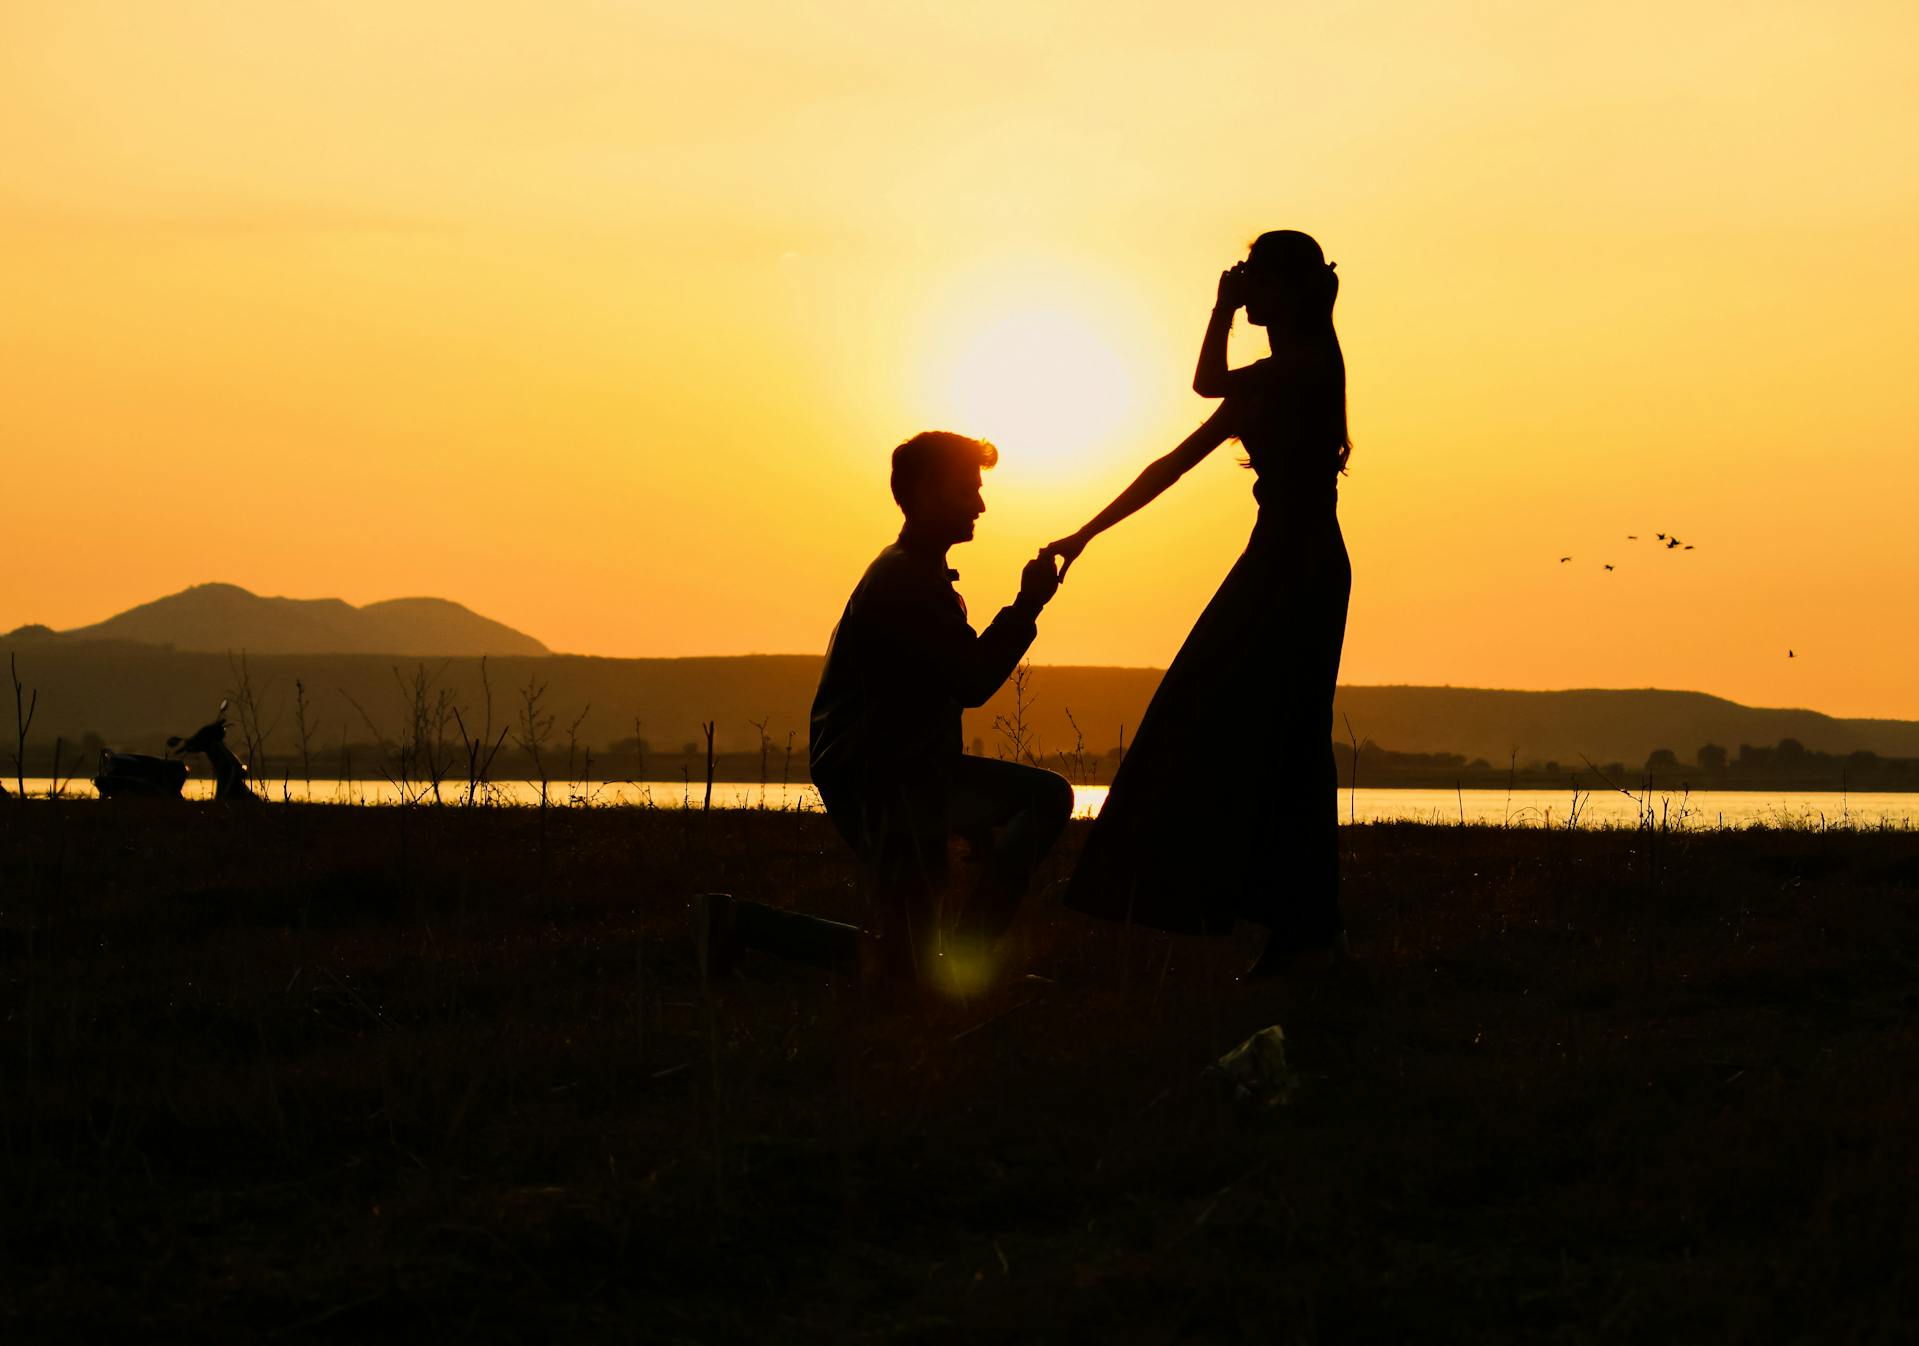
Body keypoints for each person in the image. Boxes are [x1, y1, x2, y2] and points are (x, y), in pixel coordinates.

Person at [1044, 230, 1353, 977]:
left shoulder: (1307, 366)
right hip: (1278, 556)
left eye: (1256, 277)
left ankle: (1297, 923)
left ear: (1287, 288)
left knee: (1270, 730)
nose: (1245, 285)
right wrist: (1084, 533)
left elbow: (1208, 382)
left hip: (1300, 564)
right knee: (1232, 722)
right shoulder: (1274, 376)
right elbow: (1171, 463)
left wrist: (1219, 307)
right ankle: (1288, 923)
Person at [695, 431, 1075, 986]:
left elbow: (934, 692)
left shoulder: (908, 572)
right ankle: (969, 960)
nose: (980, 505)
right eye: (968, 490)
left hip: (887, 775)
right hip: (888, 782)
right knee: (1046, 798)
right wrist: (1027, 604)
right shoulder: (906, 581)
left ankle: (732, 922)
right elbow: (970, 681)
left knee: (904, 969)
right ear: (924, 490)